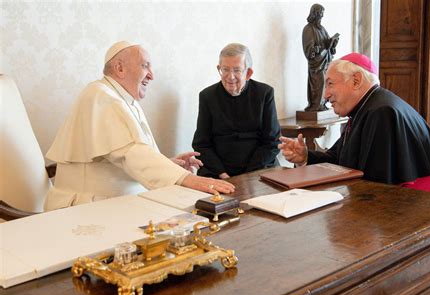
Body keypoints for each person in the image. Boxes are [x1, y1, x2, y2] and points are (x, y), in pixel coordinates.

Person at [44, 41, 234, 211]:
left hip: (116, 202)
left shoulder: (125, 100)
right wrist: (189, 179)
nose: (151, 75)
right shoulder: (100, 95)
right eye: (145, 66)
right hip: (85, 208)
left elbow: (126, 154)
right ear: (120, 68)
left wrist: (169, 164)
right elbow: (130, 153)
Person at [279, 52, 430, 192]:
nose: (325, 95)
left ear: (356, 81)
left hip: (405, 216)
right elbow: (338, 158)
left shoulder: (381, 113)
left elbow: (376, 186)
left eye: (330, 84)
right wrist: (305, 156)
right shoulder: (366, 108)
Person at [192, 43, 281, 179]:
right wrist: (222, 174)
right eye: (225, 69)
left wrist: (247, 177)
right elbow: (201, 144)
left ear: (248, 73)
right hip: (218, 172)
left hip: (258, 169)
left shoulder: (264, 93)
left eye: (237, 70)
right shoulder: (207, 96)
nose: (230, 76)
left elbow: (272, 141)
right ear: (219, 69)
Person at [303, 3, 339, 112]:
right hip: (316, 64)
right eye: (320, 15)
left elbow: (328, 45)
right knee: (319, 83)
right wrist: (324, 47)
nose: (321, 18)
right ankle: (316, 105)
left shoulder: (322, 29)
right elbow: (309, 51)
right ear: (314, 14)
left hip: (325, 63)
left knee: (326, 84)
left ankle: (322, 104)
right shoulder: (308, 29)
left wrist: (333, 44)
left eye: (322, 15)